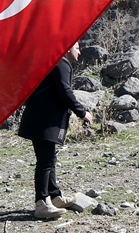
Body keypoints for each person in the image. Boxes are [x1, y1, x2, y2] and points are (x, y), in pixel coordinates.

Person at [17, 42, 92, 220]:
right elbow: (64, 91)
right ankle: (42, 203)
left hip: (42, 120)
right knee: (45, 161)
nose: (80, 52)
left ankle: (54, 196)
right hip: (43, 121)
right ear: (66, 48)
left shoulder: (57, 63)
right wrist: (82, 112)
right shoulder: (60, 63)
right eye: (77, 48)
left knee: (49, 158)